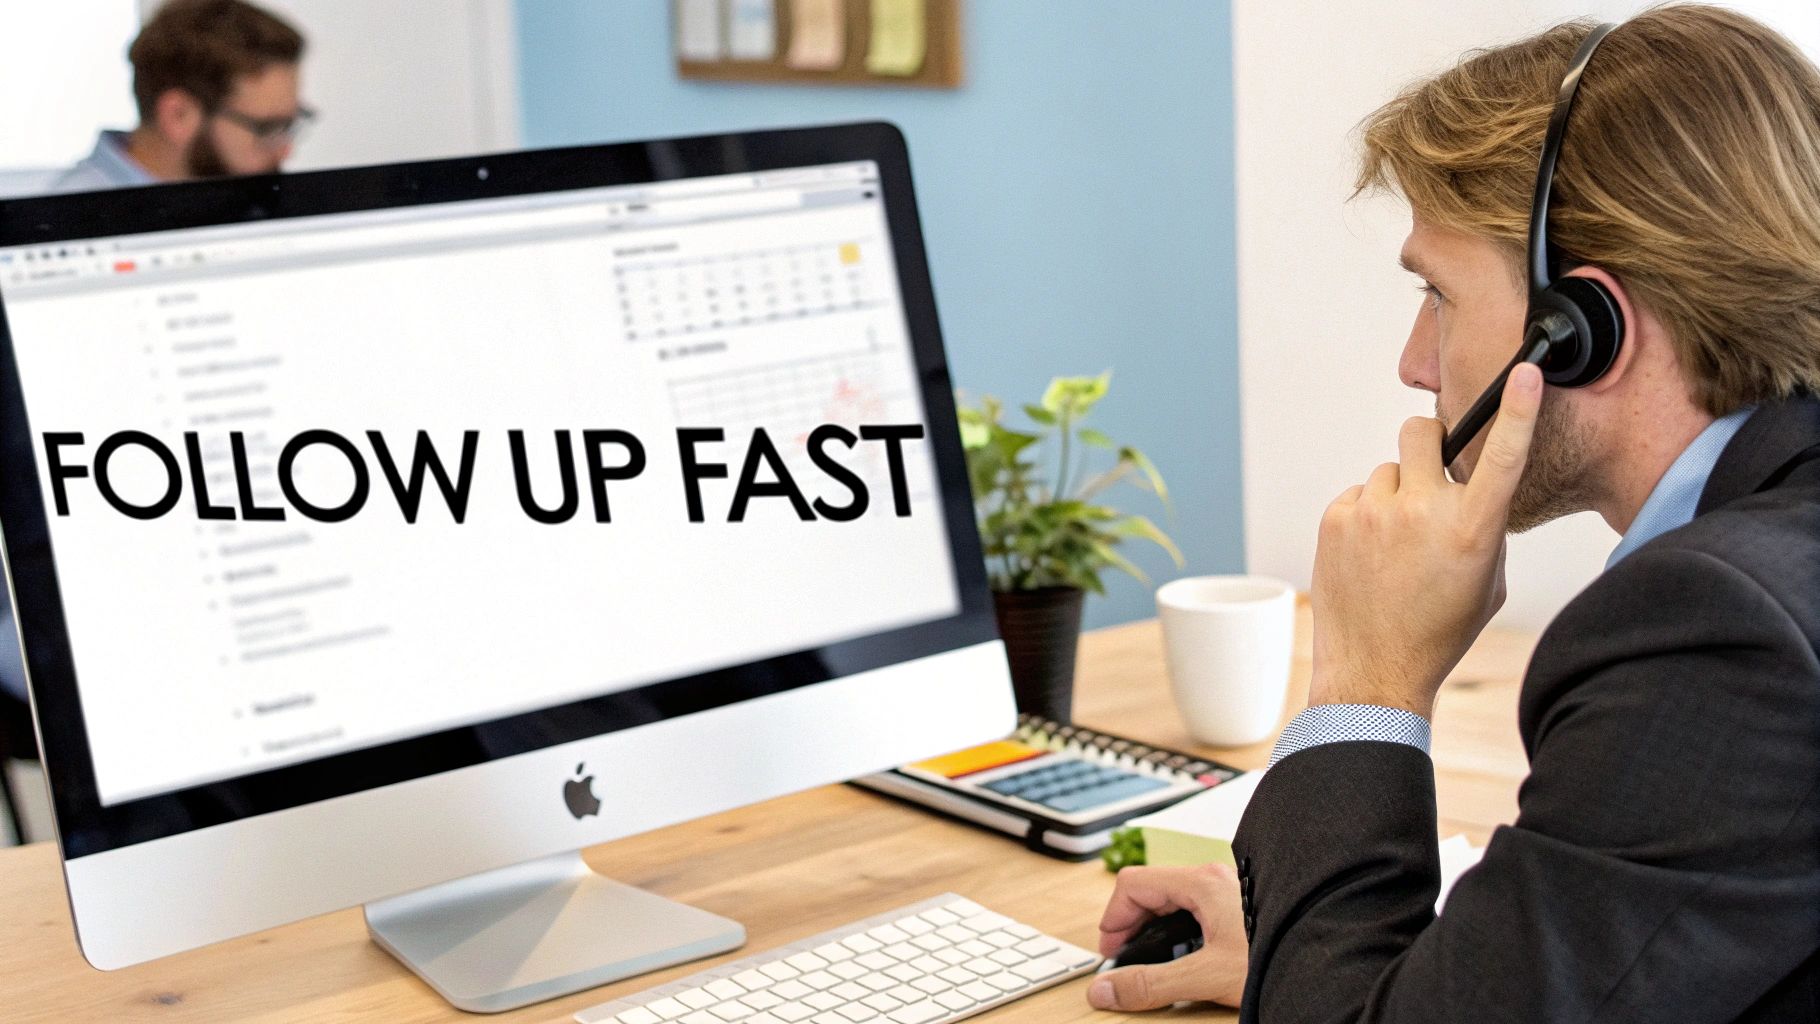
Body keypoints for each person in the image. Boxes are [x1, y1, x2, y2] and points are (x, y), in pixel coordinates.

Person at [1088, 5, 1820, 1020]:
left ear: (1581, 328)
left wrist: (1367, 677)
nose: (1413, 362)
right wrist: (1312, 951)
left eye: (1436, 294)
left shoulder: (1719, 633)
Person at [50, 0, 309, 193]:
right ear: (178, 115)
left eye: (290, 125)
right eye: (268, 128)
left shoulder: (233, 204)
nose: (286, 151)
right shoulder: (70, 224)